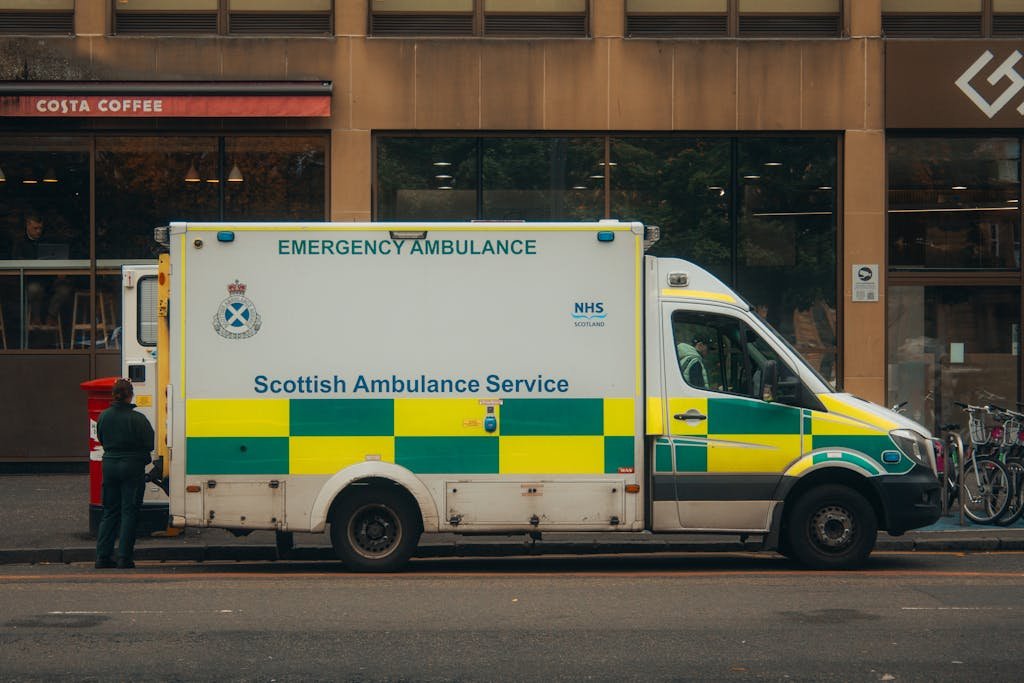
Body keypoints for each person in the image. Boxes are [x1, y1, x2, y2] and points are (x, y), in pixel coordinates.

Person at [95, 378, 154, 569]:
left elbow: (101, 439)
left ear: (113, 395)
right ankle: (124, 557)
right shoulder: (138, 419)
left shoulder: (103, 416)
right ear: (130, 396)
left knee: (110, 511)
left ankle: (103, 557)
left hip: (110, 465)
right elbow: (149, 444)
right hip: (132, 467)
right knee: (129, 511)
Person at [11, 211, 73, 328]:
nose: (38, 231)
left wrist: (61, 269)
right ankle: (36, 318)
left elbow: (57, 255)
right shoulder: (19, 242)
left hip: (49, 280)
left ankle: (51, 316)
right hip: (31, 280)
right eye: (35, 228)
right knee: (35, 289)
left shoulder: (48, 238)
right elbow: (15, 261)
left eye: (40, 228)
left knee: (65, 289)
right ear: (28, 225)